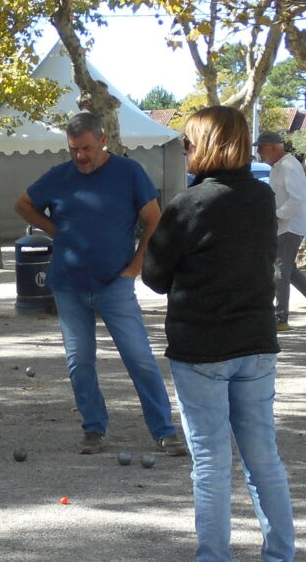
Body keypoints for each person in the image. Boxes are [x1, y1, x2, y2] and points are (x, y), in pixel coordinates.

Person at [143, 106, 298, 562]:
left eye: (188, 144)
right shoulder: (261, 196)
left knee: (210, 465)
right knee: (264, 462)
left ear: (205, 146)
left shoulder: (187, 205)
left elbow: (155, 277)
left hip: (202, 347)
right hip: (255, 343)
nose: (184, 152)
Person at [14, 112, 185, 456]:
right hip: (68, 285)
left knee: (138, 357)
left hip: (114, 283)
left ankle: (164, 430)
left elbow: (154, 219)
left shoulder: (129, 172)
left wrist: (136, 265)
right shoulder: (59, 176)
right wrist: (56, 230)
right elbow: (24, 204)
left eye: (86, 148)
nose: (80, 156)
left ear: (103, 140)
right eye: (74, 149)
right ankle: (93, 427)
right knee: (80, 361)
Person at [256, 132, 306, 330]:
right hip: (286, 224)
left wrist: (276, 215)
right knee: (288, 270)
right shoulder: (280, 166)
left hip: (289, 225)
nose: (258, 152)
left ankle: (280, 318)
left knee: (280, 271)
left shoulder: (288, 165)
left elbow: (297, 198)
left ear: (273, 147)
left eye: (261, 147)